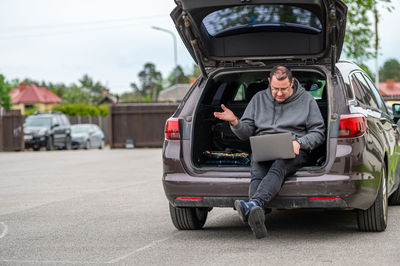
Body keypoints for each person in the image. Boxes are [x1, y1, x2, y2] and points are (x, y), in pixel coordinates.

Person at [213, 66, 325, 238]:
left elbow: (319, 133)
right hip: (264, 148)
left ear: (292, 83)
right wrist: (235, 121)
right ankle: (256, 212)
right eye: (275, 89)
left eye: (283, 89)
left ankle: (254, 204)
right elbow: (246, 133)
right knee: (257, 171)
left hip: (295, 149)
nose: (279, 93)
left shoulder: (307, 100)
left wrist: (300, 143)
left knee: (279, 166)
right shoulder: (258, 99)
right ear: (269, 83)